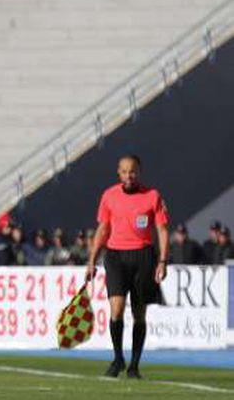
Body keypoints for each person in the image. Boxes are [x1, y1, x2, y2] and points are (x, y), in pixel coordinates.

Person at [85, 155, 169, 379]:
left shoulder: (152, 196)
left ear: (138, 171)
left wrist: (162, 260)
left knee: (139, 314)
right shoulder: (109, 195)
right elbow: (102, 229)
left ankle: (134, 366)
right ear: (118, 173)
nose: (128, 175)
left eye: (132, 171)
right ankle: (117, 358)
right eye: (124, 171)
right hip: (115, 256)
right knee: (117, 310)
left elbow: (162, 230)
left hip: (143, 256)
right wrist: (92, 260)